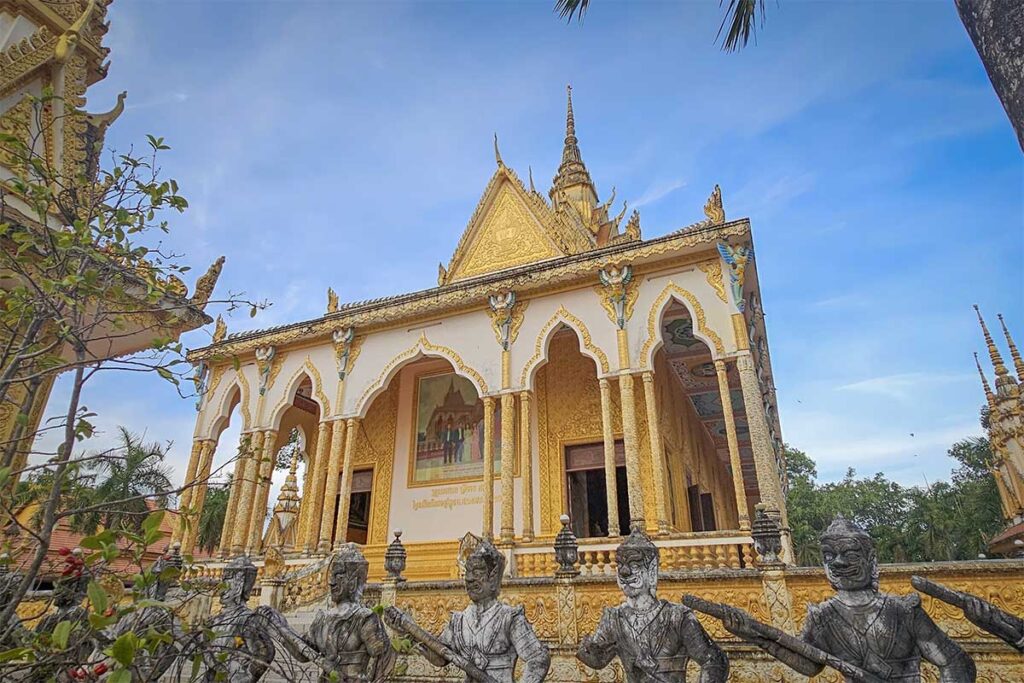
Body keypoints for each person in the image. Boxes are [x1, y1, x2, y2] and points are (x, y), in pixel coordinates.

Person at [724, 517, 977, 682]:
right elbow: (810, 665)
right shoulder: (823, 616)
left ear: (871, 560)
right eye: (829, 555)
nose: (839, 562)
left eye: (850, 553)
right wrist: (754, 636)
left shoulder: (902, 611)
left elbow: (955, 661)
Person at [577, 529, 728, 682]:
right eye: (620, 565)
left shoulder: (677, 616)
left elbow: (714, 660)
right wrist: (587, 649)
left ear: (652, 570)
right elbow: (598, 661)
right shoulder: (613, 618)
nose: (625, 572)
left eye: (635, 566)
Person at [413, 541, 550, 682]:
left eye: (477, 573)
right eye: (468, 572)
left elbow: (538, 658)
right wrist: (414, 635)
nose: (469, 578)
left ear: (493, 577)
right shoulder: (459, 621)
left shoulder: (509, 618)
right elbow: (441, 658)